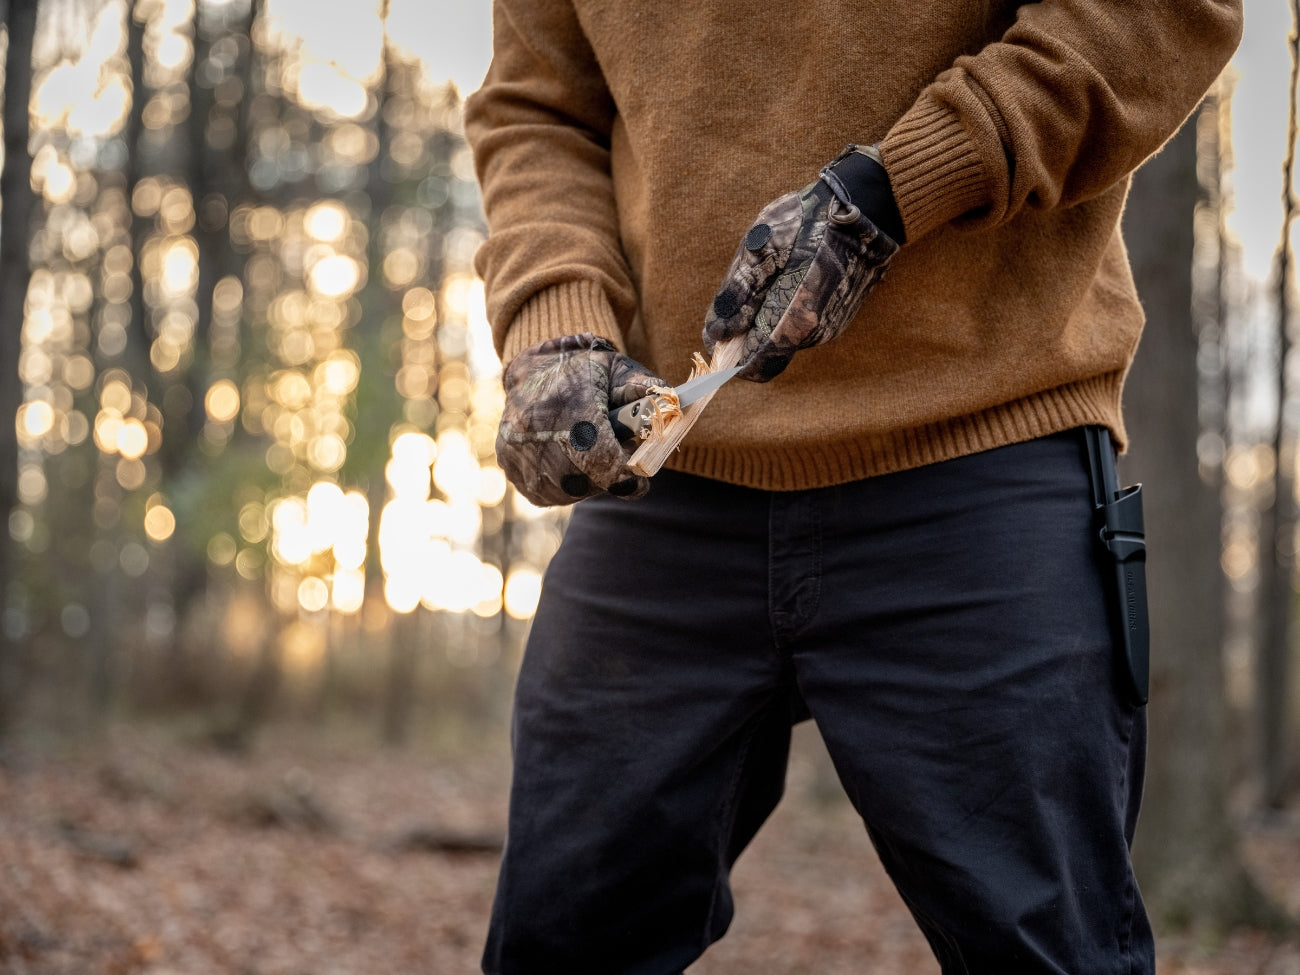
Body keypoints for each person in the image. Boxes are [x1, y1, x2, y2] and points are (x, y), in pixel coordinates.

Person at [464, 2, 1243, 972]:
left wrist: (896, 188)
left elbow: (1152, 14)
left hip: (976, 459)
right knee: (558, 943)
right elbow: (539, 106)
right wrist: (555, 324)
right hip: (667, 483)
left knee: (1048, 953)